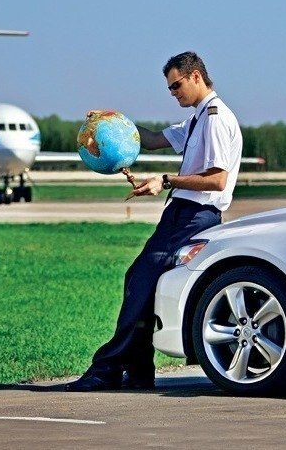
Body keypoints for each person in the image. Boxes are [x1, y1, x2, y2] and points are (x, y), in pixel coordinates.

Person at [65, 51, 243, 392]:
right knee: (140, 281)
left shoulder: (216, 119)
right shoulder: (198, 118)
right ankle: (137, 369)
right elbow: (152, 139)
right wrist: (109, 122)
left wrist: (165, 180)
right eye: (169, 88)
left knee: (140, 281)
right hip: (181, 215)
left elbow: (217, 179)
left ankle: (108, 369)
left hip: (193, 217)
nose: (173, 92)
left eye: (176, 85)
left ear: (195, 76)